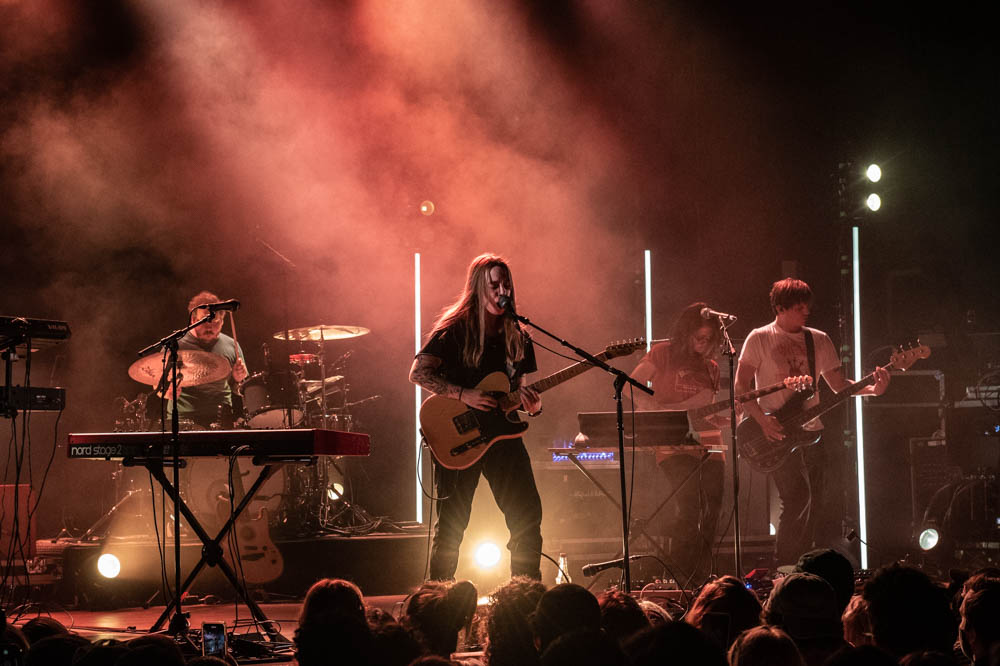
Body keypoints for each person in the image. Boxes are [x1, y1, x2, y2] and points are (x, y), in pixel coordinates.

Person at [735, 278, 889, 564]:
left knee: (814, 503)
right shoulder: (759, 337)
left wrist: (872, 390)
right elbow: (741, 386)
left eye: (807, 305)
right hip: (774, 432)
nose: (806, 311)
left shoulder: (818, 339)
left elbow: (839, 386)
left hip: (810, 432)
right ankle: (785, 566)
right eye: (799, 307)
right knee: (796, 497)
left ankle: (801, 565)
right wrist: (763, 421)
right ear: (780, 308)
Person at [409, 254, 543, 580]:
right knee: (452, 524)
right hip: (459, 434)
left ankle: (524, 591)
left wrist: (532, 406)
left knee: (527, 515)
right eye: (494, 285)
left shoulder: (519, 335)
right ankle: (438, 595)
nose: (502, 291)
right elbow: (418, 373)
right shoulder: (455, 330)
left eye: (506, 285)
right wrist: (463, 394)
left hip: (502, 435)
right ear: (478, 288)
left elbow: (518, 391)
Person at [629, 302, 726, 582]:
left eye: (709, 339)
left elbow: (706, 413)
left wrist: (732, 416)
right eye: (699, 337)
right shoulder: (662, 353)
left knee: (712, 509)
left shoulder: (711, 367)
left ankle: (702, 575)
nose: (704, 344)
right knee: (689, 505)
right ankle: (680, 576)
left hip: (709, 441)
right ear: (685, 333)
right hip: (673, 442)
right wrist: (657, 409)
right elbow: (630, 385)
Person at [167, 290, 248, 428]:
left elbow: (239, 390)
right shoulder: (176, 345)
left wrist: (238, 379)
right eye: (205, 320)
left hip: (222, 417)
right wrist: (168, 392)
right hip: (184, 418)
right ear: (193, 320)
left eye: (215, 321)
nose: (210, 326)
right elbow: (158, 384)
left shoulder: (232, 345)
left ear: (222, 322)